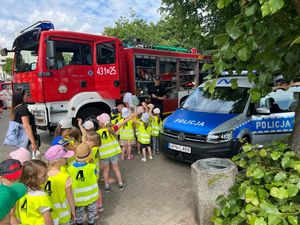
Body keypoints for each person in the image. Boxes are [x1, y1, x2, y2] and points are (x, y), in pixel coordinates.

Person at [14, 160, 59, 225]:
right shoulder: (40, 196)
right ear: (33, 178)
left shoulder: (20, 191)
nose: (47, 176)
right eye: (44, 175)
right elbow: (48, 221)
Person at [43, 145, 76, 224]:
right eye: (65, 158)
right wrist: (73, 211)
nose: (66, 159)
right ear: (60, 160)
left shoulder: (42, 176)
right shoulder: (65, 177)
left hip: (48, 215)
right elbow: (69, 197)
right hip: (63, 214)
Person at [67, 143, 99, 225]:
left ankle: (79, 222)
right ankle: (91, 222)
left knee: (79, 212)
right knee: (92, 211)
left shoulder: (70, 169)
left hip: (78, 198)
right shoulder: (92, 167)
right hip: (91, 196)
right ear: (88, 156)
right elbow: (96, 175)